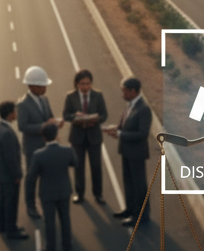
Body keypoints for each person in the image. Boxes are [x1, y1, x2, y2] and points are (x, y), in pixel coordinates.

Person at [104, 77, 152, 227]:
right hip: (126, 151)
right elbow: (124, 125)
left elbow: (142, 134)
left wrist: (120, 135)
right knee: (129, 183)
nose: (122, 94)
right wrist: (115, 129)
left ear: (133, 91)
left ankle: (141, 216)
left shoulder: (143, 109)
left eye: (125, 91)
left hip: (136, 153)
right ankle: (130, 209)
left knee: (138, 186)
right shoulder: (130, 106)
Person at [16, 65, 63, 216]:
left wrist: (55, 123)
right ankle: (30, 205)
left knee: (46, 176)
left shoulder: (44, 100)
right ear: (32, 86)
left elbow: (49, 117)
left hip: (46, 146)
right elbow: (23, 126)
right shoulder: (22, 104)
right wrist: (44, 125)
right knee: (31, 178)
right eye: (42, 86)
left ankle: (44, 202)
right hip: (32, 148)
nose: (45, 89)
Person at [26, 123, 77, 251]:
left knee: (49, 221)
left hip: (47, 192)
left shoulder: (38, 155)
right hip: (64, 190)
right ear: (57, 135)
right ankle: (67, 245)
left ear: (43, 137)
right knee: (65, 218)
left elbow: (32, 176)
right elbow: (75, 163)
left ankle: (51, 247)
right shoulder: (67, 150)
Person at [61, 68, 108, 205]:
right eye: (82, 84)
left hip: (94, 136)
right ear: (76, 84)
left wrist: (95, 119)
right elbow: (66, 115)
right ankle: (79, 194)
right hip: (77, 137)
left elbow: (104, 114)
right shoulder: (71, 96)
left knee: (96, 166)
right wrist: (76, 117)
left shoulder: (98, 95)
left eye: (88, 83)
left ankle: (98, 194)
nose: (85, 87)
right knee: (78, 166)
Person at [0, 100, 27, 240]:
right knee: (11, 201)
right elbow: (11, 158)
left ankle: (2, 225)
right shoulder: (8, 133)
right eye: (15, 111)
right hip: (9, 175)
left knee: (2, 199)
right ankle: (11, 229)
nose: (16, 114)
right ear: (10, 114)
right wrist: (17, 174)